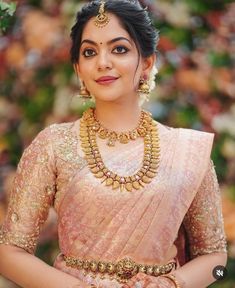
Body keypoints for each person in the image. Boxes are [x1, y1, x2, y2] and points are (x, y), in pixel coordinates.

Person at [0, 0, 227, 287]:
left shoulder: (188, 151)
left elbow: (217, 262)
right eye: (89, 52)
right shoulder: (54, 144)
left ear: (147, 62)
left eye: (119, 49)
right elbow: (9, 253)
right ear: (79, 69)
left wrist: (173, 283)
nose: (103, 62)